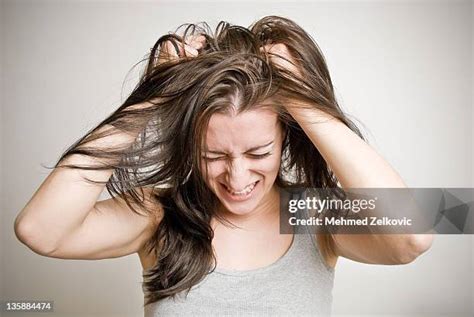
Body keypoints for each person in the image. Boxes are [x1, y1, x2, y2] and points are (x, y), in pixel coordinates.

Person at [13, 15, 434, 316]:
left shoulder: (312, 212)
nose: (237, 179)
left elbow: (414, 236)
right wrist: (150, 98)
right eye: (213, 156)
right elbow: (38, 231)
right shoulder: (159, 212)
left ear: (287, 135)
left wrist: (304, 102)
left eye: (257, 153)